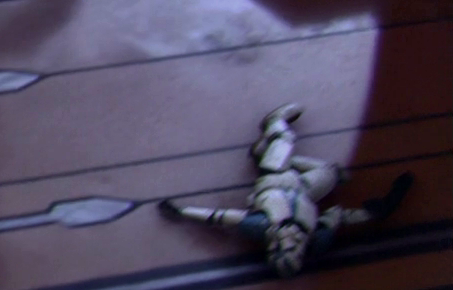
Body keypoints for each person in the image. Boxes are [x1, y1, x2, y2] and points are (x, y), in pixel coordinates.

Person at [160, 103, 414, 276]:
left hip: (275, 175)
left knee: (284, 139)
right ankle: (267, 150)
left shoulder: (261, 226)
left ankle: (273, 122)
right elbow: (338, 216)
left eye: (284, 249)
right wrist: (374, 212)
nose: (292, 243)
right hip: (304, 190)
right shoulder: (315, 235)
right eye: (294, 250)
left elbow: (220, 217)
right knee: (332, 172)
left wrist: (182, 211)